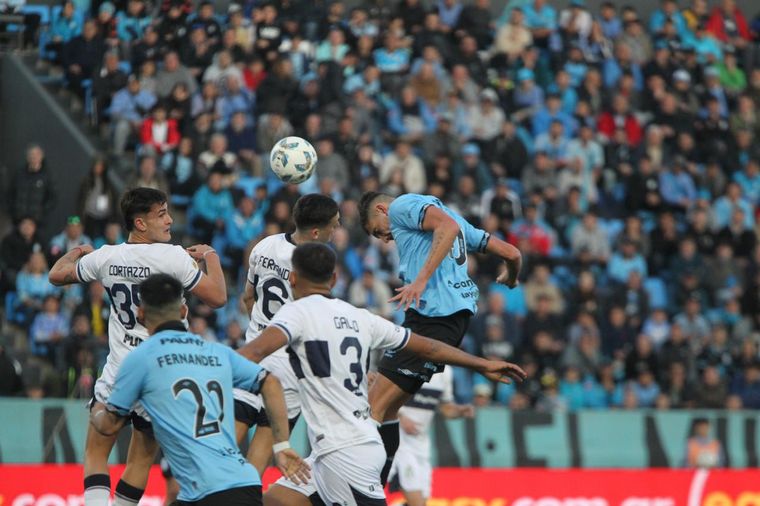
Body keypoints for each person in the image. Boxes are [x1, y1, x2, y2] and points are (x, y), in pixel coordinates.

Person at [239, 243, 526, 505]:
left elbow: (253, 353)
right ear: (335, 279)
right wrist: (482, 363)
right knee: (272, 501)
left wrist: (205, 362)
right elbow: (429, 347)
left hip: (347, 454)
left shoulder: (296, 313)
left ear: (292, 278)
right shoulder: (361, 317)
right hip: (332, 452)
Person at [48, 187, 227, 506]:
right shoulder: (173, 257)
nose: (170, 220)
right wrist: (210, 255)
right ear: (140, 223)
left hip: (121, 370)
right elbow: (217, 297)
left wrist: (77, 252)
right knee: (140, 461)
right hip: (162, 374)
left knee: (96, 452)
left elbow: (56, 275)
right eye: (162, 215)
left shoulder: (107, 256)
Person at [89, 274, 309, 505]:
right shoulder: (214, 351)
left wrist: (97, 408)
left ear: (141, 314)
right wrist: (282, 445)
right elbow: (271, 382)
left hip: (204, 492)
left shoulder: (140, 359)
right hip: (245, 483)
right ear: (183, 312)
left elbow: (108, 424)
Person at [358, 190, 522, 485]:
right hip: (448, 321)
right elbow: (512, 253)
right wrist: (511, 275)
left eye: (378, 232)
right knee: (388, 409)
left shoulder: (402, 207)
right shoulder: (455, 219)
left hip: (432, 319)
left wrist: (420, 281)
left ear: (382, 210)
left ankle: (362, 491)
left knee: (371, 408)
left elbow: (446, 228)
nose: (384, 239)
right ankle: (375, 489)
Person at [234, 195, 340, 485]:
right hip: (288, 374)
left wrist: (260, 329)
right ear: (316, 233)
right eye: (334, 225)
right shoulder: (317, 267)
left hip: (251, 359)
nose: (337, 230)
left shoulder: (264, 245)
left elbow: (247, 296)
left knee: (224, 453)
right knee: (255, 466)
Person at [388, 367, 474, 506]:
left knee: (422, 501)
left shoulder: (446, 372)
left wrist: (460, 411)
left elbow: (446, 409)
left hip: (421, 445)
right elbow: (384, 396)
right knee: (416, 502)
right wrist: (401, 416)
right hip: (399, 441)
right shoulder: (410, 361)